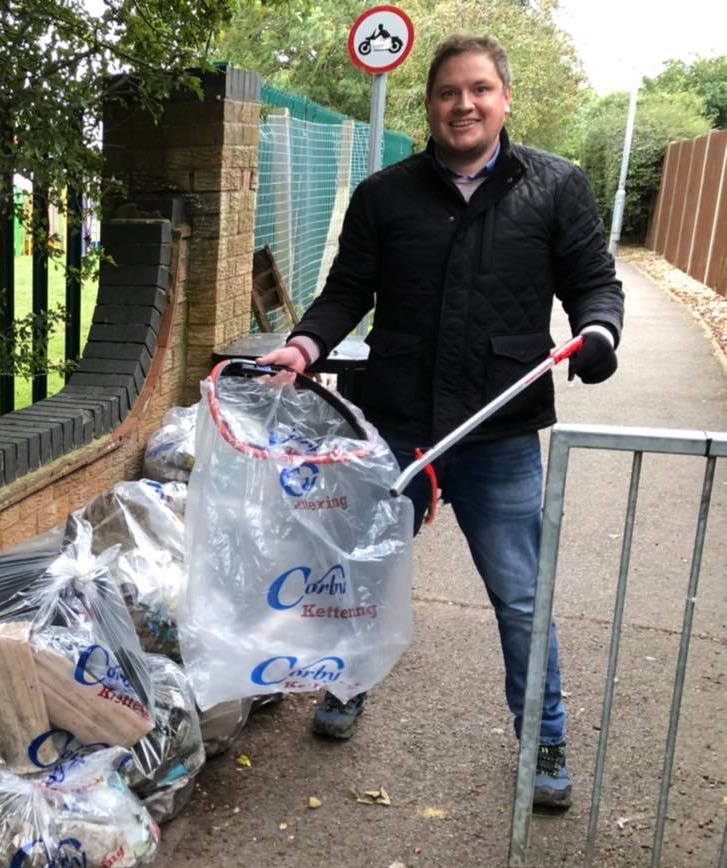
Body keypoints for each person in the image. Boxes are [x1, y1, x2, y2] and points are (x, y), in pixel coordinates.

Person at [257, 33, 623, 810]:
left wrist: (599, 333)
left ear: (505, 98)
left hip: (499, 433)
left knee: (521, 595)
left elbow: (594, 283)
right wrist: (303, 344)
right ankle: (347, 683)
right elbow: (346, 289)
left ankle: (543, 734)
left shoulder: (556, 187)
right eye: (449, 92)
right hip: (396, 426)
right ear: (429, 105)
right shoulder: (385, 196)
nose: (464, 104)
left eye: (479, 90)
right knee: (359, 573)